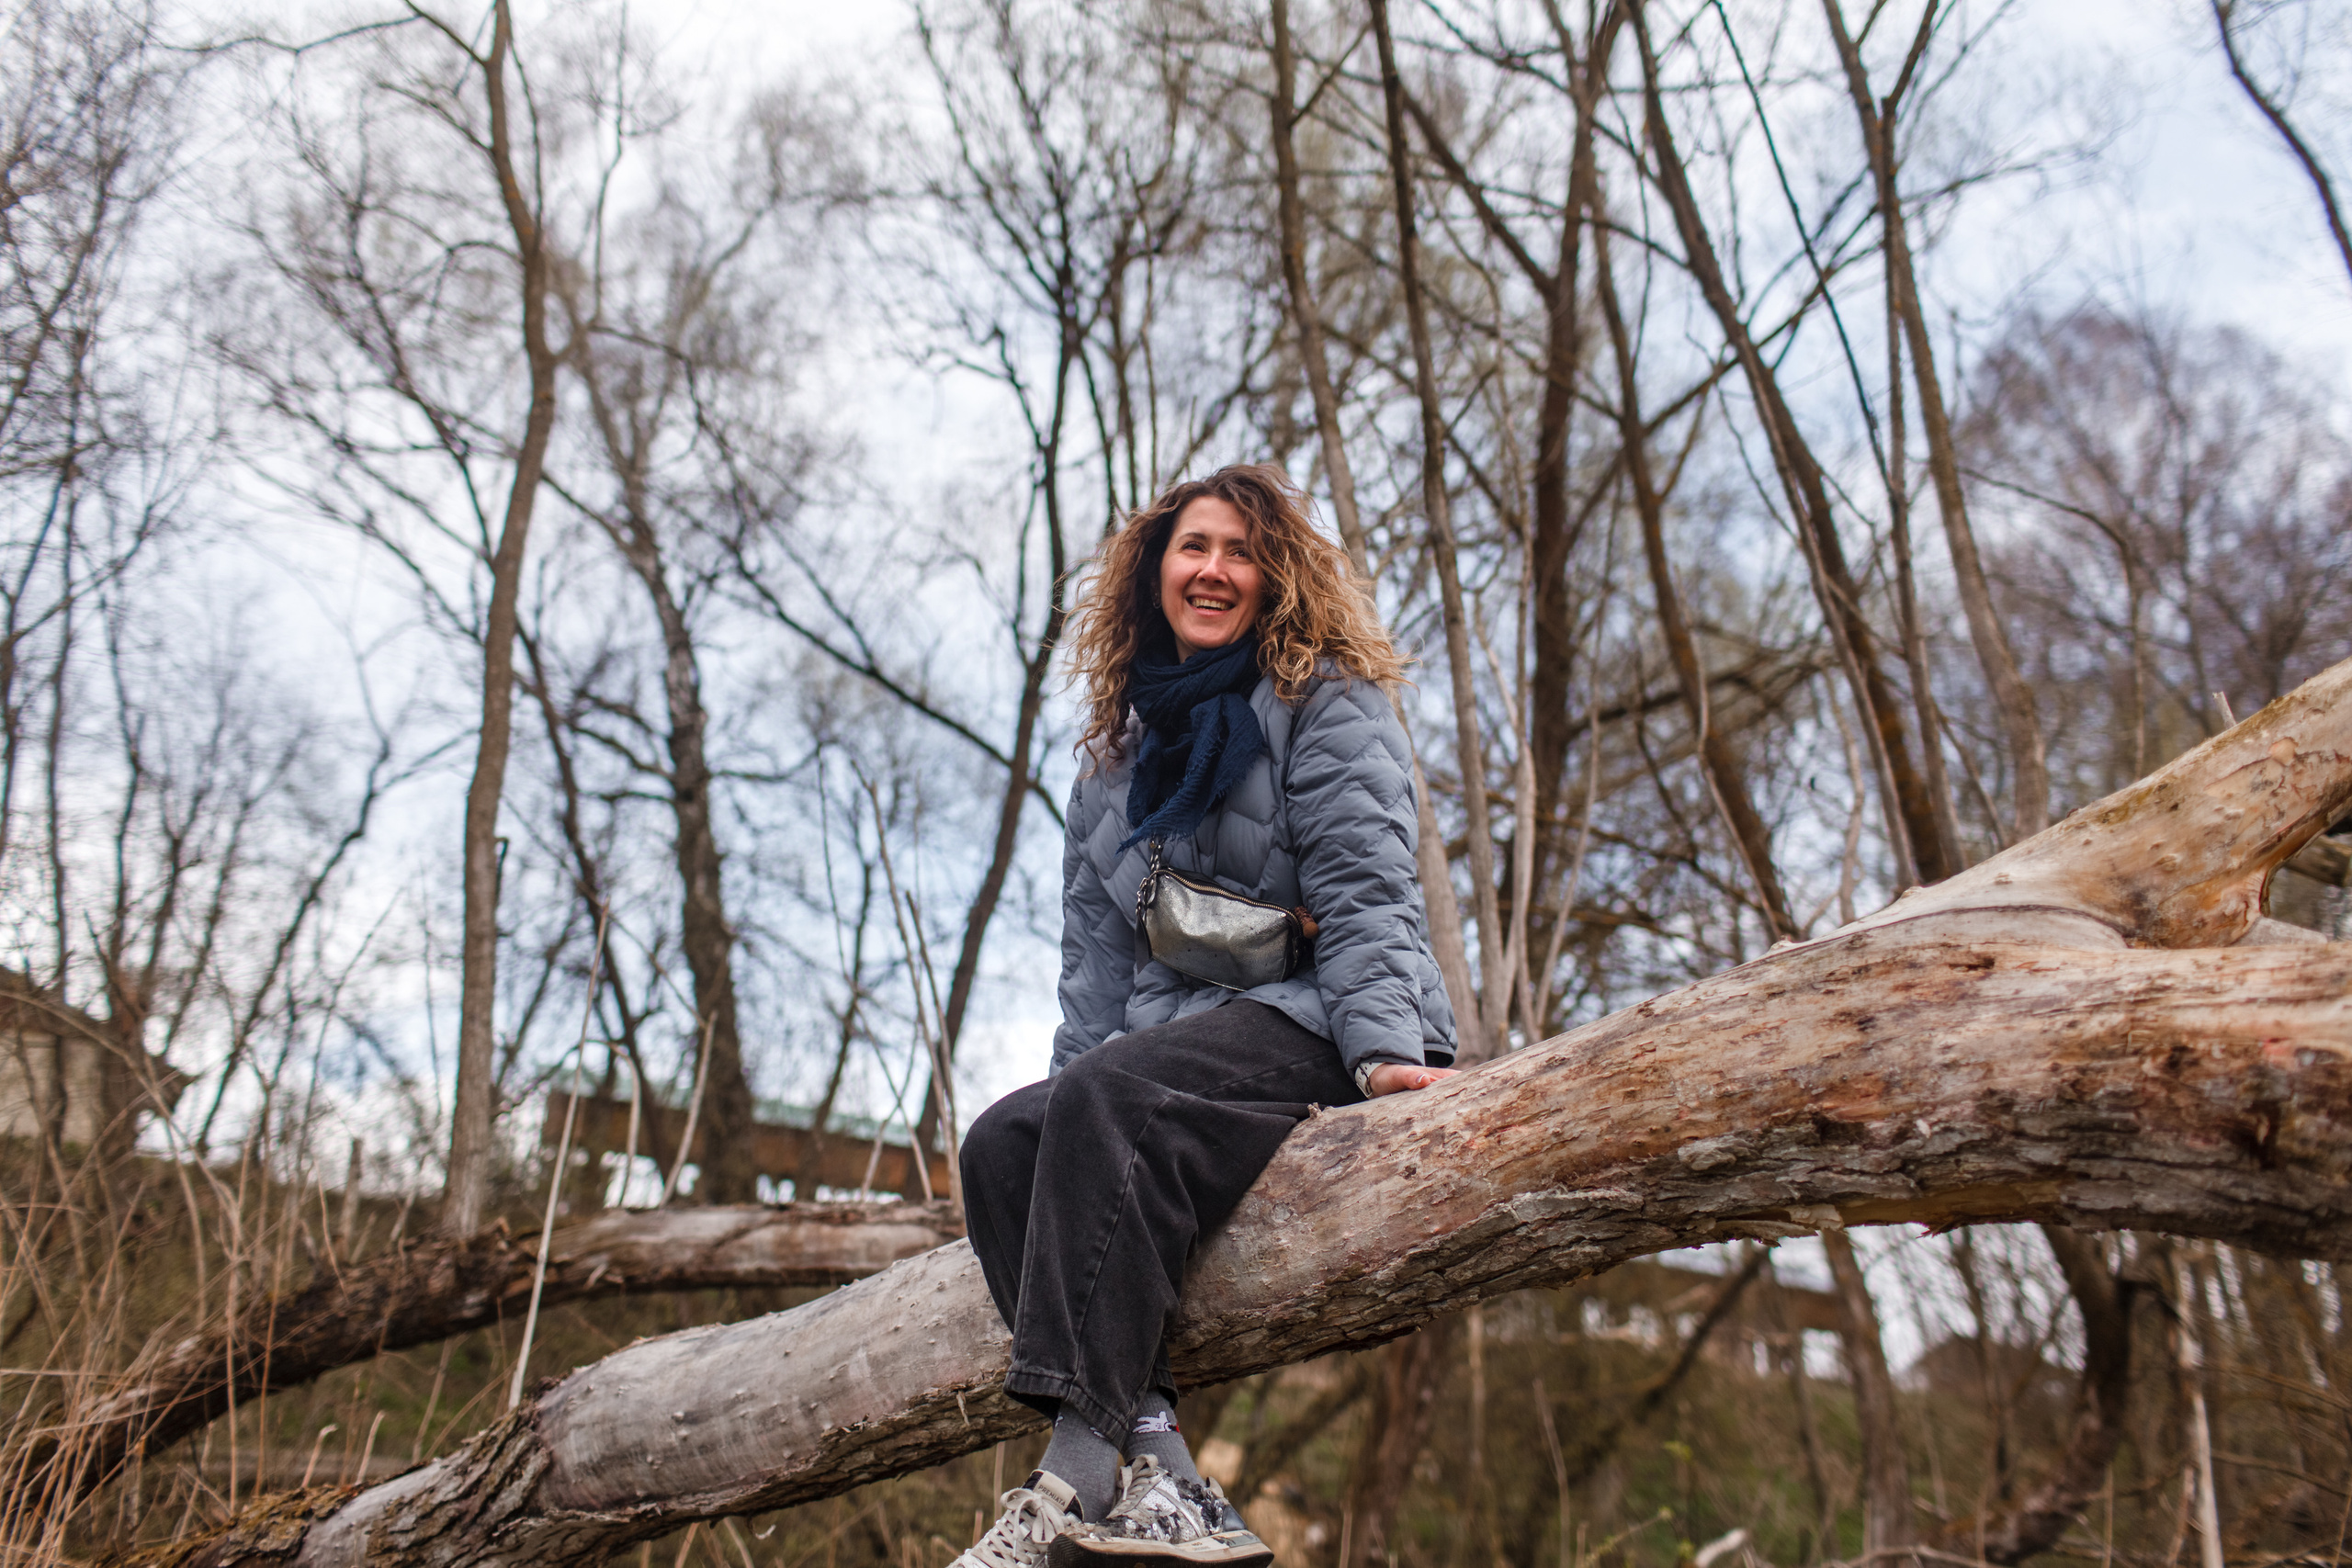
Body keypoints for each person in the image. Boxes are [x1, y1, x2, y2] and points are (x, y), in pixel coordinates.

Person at [950, 465, 1460, 1568]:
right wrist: (1059, 1132)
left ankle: (1067, 1493)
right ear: (1153, 572)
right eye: (1193, 548)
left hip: (1316, 1019)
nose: (1214, 569)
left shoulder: (1324, 701)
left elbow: (1367, 891)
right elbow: (1093, 970)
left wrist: (1383, 1056)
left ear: (1274, 574)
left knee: (1107, 1096)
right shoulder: (1111, 769)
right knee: (1000, 1145)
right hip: (1167, 1054)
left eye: (1239, 550)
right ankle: (1164, 1472)